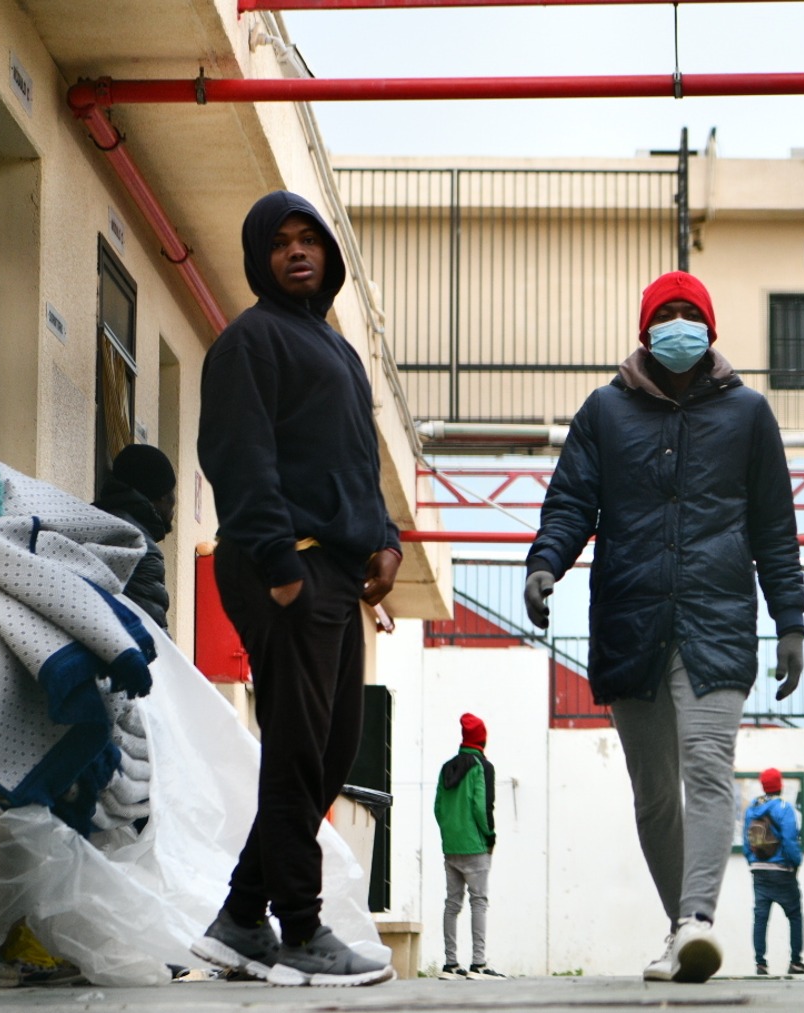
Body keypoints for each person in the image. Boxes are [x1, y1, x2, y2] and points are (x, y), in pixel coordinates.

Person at [523, 270, 804, 983]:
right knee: (654, 789)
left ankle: (697, 921)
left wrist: (791, 621)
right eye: (666, 313)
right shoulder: (604, 412)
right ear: (644, 328)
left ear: (710, 328)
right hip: (629, 619)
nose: (679, 322)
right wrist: (544, 563)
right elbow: (569, 503)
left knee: (708, 768)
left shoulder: (748, 415)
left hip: (717, 620)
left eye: (691, 313)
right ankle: (680, 926)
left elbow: (775, 528)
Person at [190, 192, 400, 987]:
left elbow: (355, 461)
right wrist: (279, 564)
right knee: (297, 749)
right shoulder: (250, 341)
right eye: (279, 243)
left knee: (328, 750)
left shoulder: (338, 350)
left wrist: (386, 539)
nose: (297, 251)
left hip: (336, 573)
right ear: (259, 261)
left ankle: (242, 917)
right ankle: (302, 931)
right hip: (287, 567)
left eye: (308, 238)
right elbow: (238, 456)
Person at [433, 713, 506, 981]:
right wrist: (490, 837)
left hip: (451, 846)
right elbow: (482, 806)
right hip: (475, 846)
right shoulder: (482, 767)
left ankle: (450, 964)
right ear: (482, 739)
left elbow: (438, 808)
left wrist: (449, 834)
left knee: (452, 904)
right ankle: (479, 964)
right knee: (479, 902)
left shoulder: (446, 768)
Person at [93, 444, 177, 631]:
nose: (174, 506)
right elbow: (152, 636)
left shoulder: (91, 525)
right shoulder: (142, 548)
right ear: (161, 496)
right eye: (172, 493)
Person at [743, 768, 804, 976]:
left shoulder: (752, 808)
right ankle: (796, 962)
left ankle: (760, 964)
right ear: (779, 785)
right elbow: (789, 840)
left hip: (759, 872)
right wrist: (796, 861)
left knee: (760, 917)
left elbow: (747, 843)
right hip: (781, 870)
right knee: (794, 915)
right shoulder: (784, 807)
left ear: (763, 785)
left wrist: (752, 861)